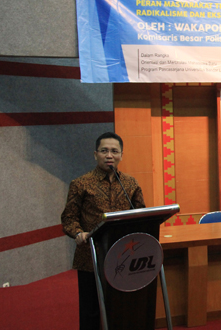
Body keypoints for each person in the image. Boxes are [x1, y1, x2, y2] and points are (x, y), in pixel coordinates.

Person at [61, 132, 145, 330]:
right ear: (95, 154)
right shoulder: (80, 184)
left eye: (114, 151)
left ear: (121, 155)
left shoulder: (130, 184)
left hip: (123, 255)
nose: (109, 155)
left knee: (120, 307)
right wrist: (78, 233)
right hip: (91, 256)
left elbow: (141, 215)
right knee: (91, 310)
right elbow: (68, 218)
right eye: (104, 151)